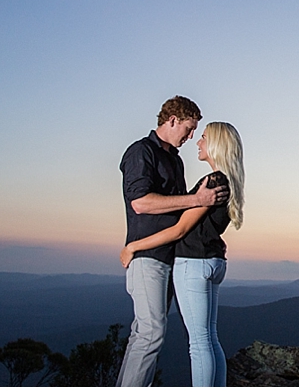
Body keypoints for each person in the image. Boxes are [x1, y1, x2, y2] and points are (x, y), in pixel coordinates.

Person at [116, 96, 229, 387]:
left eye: (196, 132)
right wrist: (197, 199)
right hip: (148, 255)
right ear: (173, 120)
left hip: (171, 256)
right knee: (151, 333)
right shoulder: (141, 152)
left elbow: (180, 214)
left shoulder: (174, 160)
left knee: (145, 333)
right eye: (190, 129)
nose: (191, 137)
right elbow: (141, 203)